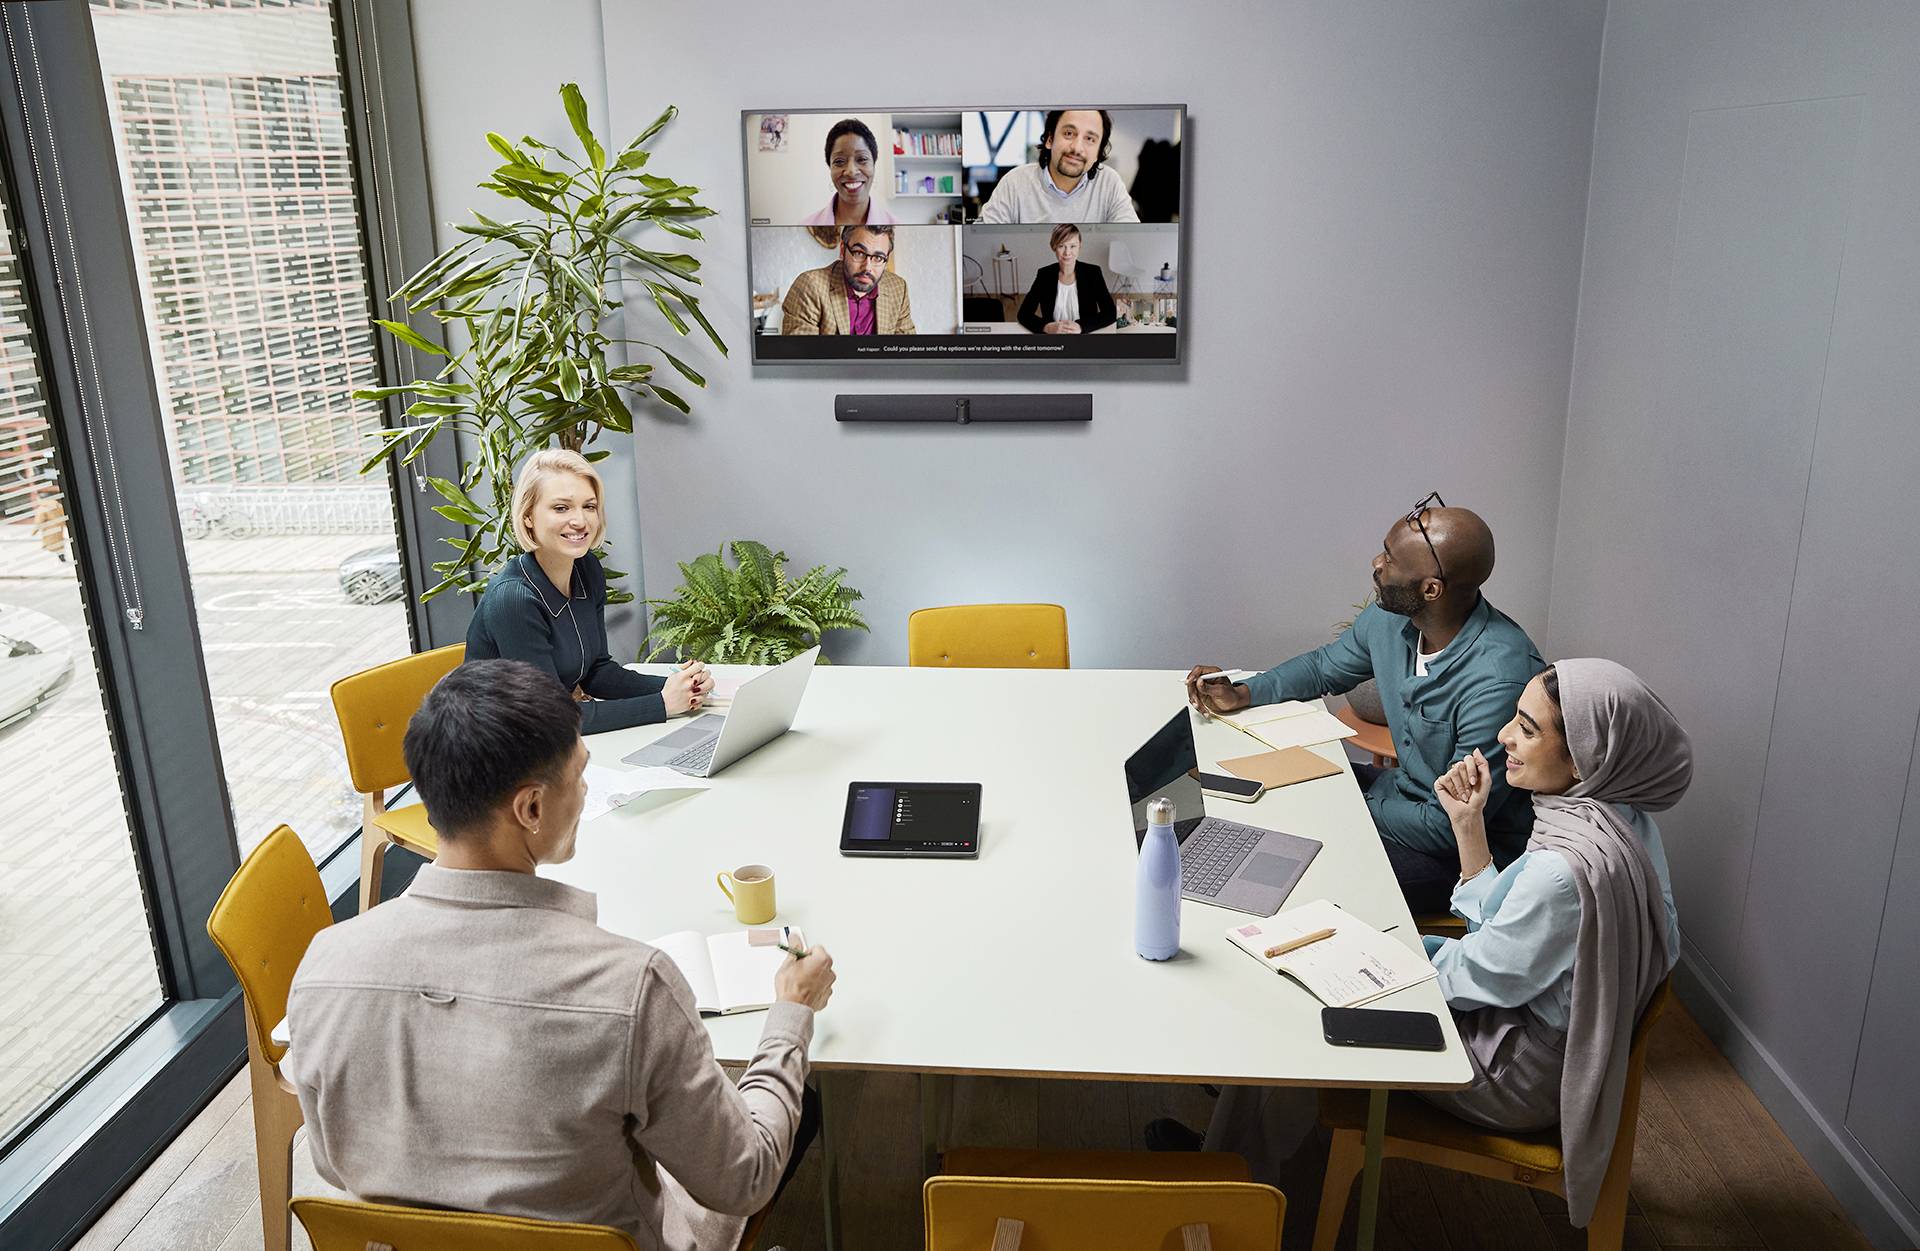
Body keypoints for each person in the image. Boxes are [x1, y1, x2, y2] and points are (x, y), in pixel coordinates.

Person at [283, 659, 838, 1248]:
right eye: (580, 775)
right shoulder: (633, 987)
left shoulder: (323, 966)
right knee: (794, 1100)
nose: (585, 790)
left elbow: (335, 1165)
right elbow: (744, 1178)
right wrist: (791, 1013)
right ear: (530, 809)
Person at [1190, 660, 1688, 1234]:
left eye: (1527, 728)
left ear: (1586, 757)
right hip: (1533, 1036)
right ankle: (1226, 1165)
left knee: (1304, 1011)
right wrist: (1468, 826)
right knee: (1313, 970)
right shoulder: (1620, 825)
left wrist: (1386, 942)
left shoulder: (1565, 868)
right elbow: (1510, 939)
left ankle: (1220, 1205)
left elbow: (1470, 980)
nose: (1504, 737)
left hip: (1511, 1073)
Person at [1186, 494, 1542, 913]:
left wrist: (1352, 808)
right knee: (1273, 803)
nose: (1376, 563)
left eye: (1390, 559)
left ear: (1431, 589)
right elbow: (1324, 667)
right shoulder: (1392, 619)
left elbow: (1452, 825)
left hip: (1461, 854)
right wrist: (1245, 693)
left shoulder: (1499, 681)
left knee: (1308, 878)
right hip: (1403, 796)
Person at [467, 448, 707, 732]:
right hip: (487, 755)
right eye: (561, 508)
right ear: (528, 515)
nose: (580, 521)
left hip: (537, 746)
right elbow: (554, 718)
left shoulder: (586, 569)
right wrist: (663, 704)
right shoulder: (513, 599)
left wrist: (681, 687)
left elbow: (597, 672)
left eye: (589, 506)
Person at [977, 109, 1140, 224]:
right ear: (1049, 139)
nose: (1077, 148)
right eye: (1069, 133)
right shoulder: (1015, 182)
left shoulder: (1109, 183)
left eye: (1090, 139)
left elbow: (1132, 242)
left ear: (1098, 153)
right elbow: (981, 239)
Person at [780, 224, 916, 335]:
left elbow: (907, 353)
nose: (867, 267)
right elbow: (801, 359)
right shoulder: (810, 286)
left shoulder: (898, 288)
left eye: (878, 258)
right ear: (842, 250)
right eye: (859, 253)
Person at [1017, 223, 1116, 334]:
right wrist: (1046, 327)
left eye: (1072, 246)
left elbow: (1110, 313)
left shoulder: (1093, 273)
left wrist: (1081, 326)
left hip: (1085, 336)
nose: (1067, 252)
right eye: (1061, 246)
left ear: (1080, 246)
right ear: (1053, 247)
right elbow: (1023, 314)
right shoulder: (1044, 275)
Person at [799, 118, 897, 227]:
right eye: (839, 161)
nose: (851, 171)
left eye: (862, 159)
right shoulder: (805, 226)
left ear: (874, 164)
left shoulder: (896, 227)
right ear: (830, 167)